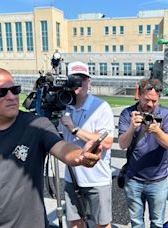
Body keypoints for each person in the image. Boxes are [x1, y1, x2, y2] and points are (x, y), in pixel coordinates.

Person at [0, 67, 102, 228]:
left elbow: (61, 148)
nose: (11, 97)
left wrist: (80, 155)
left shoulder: (37, 125)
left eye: (15, 90)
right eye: (1, 92)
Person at [58, 61, 114, 228]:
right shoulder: (63, 105)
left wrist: (74, 128)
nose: (78, 84)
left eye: (82, 79)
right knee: (74, 222)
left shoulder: (100, 107)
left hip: (97, 178)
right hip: (72, 175)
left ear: (88, 81)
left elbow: (107, 141)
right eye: (74, 79)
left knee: (102, 223)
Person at [118, 79, 168, 228]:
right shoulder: (127, 113)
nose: (150, 105)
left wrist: (157, 131)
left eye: (154, 101)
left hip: (158, 180)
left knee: (157, 223)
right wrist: (132, 127)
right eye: (146, 100)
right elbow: (122, 144)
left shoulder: (166, 113)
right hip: (133, 179)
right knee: (136, 222)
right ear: (139, 95)